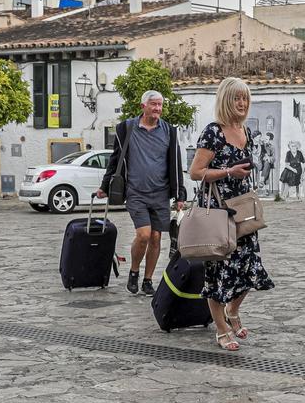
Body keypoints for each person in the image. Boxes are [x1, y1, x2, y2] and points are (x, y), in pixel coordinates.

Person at [189, 77, 275, 351]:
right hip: (218, 211)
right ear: (227, 100)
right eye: (237, 98)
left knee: (251, 267)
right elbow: (196, 172)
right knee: (219, 271)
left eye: (245, 98)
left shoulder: (245, 131)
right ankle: (221, 328)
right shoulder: (213, 132)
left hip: (242, 210)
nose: (242, 103)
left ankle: (233, 311)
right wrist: (228, 172)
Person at [98, 90, 187, 296]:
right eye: (154, 104)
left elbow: (176, 163)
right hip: (136, 192)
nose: (157, 109)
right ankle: (134, 272)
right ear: (143, 106)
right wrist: (105, 186)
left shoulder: (169, 131)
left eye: (160, 105)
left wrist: (179, 194)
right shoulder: (126, 128)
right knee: (144, 234)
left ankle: (147, 280)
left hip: (161, 193)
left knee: (156, 237)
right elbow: (116, 159)